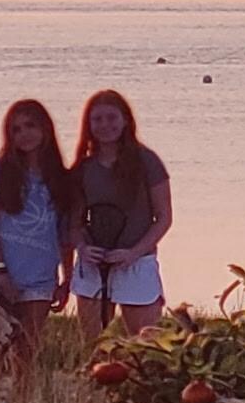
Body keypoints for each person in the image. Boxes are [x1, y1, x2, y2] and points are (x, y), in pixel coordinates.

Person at [0, 99, 73, 399]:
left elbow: (65, 235)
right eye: (16, 129)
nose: (24, 134)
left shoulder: (61, 179)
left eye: (30, 125)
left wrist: (67, 279)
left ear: (45, 128)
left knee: (24, 359)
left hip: (40, 281)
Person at [67, 89, 172, 341]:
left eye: (112, 118)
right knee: (95, 348)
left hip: (137, 263)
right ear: (88, 125)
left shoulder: (148, 162)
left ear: (125, 120)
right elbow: (73, 222)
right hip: (94, 266)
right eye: (98, 119)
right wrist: (82, 247)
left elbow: (164, 218)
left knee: (147, 346)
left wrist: (134, 253)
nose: (105, 125)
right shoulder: (83, 168)